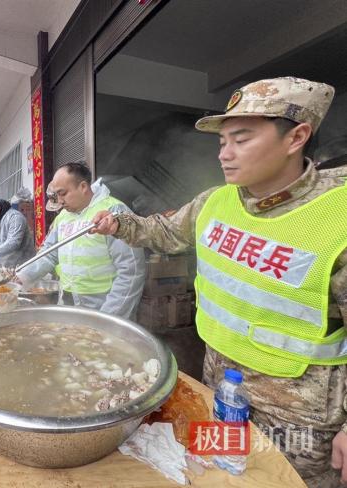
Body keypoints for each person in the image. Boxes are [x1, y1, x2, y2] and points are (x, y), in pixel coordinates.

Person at [92, 77, 347, 487]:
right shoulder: (215, 201)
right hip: (222, 387)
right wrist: (118, 224)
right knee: (223, 478)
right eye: (222, 142)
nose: (225, 155)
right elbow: (165, 232)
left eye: (241, 140)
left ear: (297, 136)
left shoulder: (338, 213)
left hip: (304, 415)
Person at [17, 162, 145, 318]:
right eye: (56, 195)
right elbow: (49, 255)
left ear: (83, 187)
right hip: (67, 303)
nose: (59, 200)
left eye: (63, 193)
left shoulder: (113, 212)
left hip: (103, 305)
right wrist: (20, 279)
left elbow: (131, 271)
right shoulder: (63, 217)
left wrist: (109, 317)